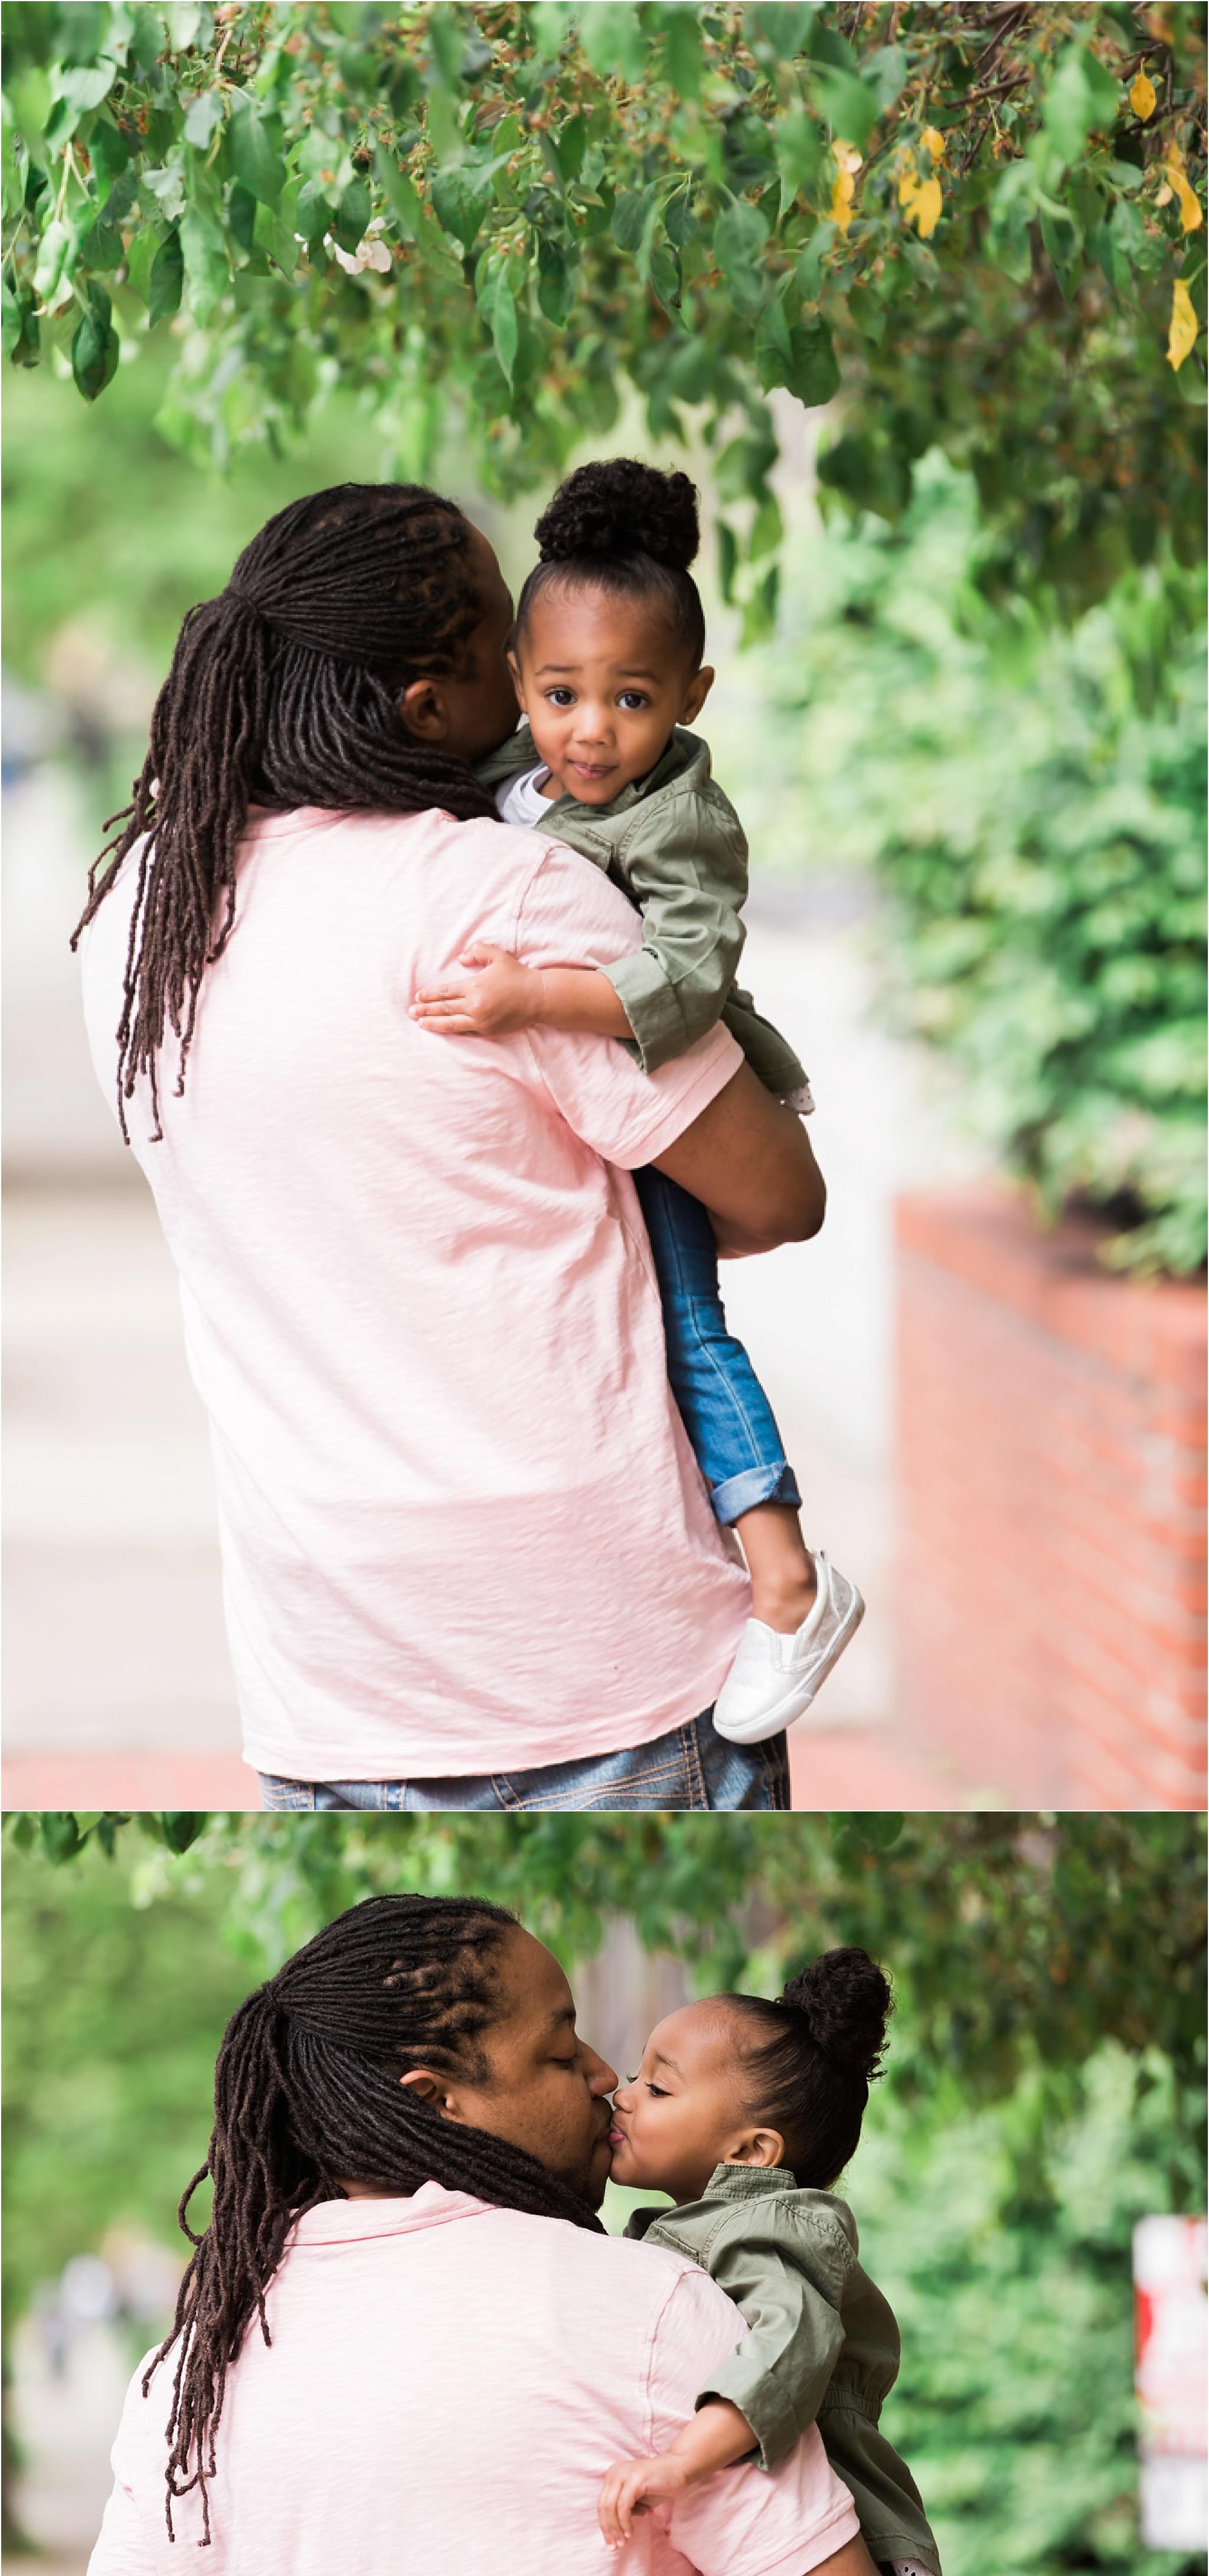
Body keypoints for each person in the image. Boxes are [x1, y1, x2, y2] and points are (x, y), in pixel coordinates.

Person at [75, 483, 828, 1810]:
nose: (535, 679)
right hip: (600, 1665)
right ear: (432, 707)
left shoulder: (145, 907)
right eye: (504, 651)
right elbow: (777, 1193)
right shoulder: (499, 895)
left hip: (328, 1675)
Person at [79, 1894, 910, 2576]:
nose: (603, 2073)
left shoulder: (191, 2367)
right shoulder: (648, 2309)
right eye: (559, 2053)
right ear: (439, 2101)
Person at [413, 458, 864, 1748]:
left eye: (630, 698)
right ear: (517, 680)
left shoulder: (681, 819)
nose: (590, 730)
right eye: (560, 694)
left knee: (684, 1320)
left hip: (666, 1086)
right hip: (586, 1125)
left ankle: (785, 1569)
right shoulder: (523, 765)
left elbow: (684, 968)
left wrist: (533, 998)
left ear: (691, 697)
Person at [597, 1953, 943, 2576]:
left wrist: (682, 2462)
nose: (624, 2091)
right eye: (637, 2073)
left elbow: (790, 2338)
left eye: (658, 2088)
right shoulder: (701, 2222)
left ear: (751, 2152)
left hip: (850, 2544)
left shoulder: (776, 2224)